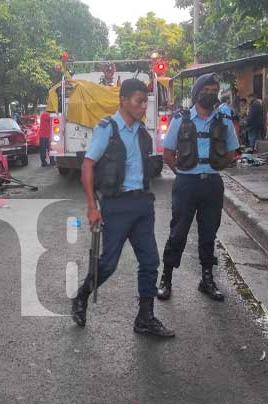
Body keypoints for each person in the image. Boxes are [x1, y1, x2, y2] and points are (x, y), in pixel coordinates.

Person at [71, 78, 175, 338]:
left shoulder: (141, 132)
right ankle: (82, 295)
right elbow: (87, 166)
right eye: (140, 101)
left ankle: (145, 318)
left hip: (142, 204)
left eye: (145, 102)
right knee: (107, 264)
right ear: (124, 101)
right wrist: (92, 206)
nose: (143, 107)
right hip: (116, 206)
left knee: (150, 261)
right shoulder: (108, 128)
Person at [157, 73, 239, 303]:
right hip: (186, 184)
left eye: (215, 90)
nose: (211, 94)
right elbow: (168, 153)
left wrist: (212, 168)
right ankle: (166, 278)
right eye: (207, 90)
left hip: (212, 184)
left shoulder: (223, 120)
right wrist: (184, 174)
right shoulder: (181, 119)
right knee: (178, 232)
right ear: (196, 94)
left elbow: (232, 152)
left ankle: (207, 279)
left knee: (208, 234)